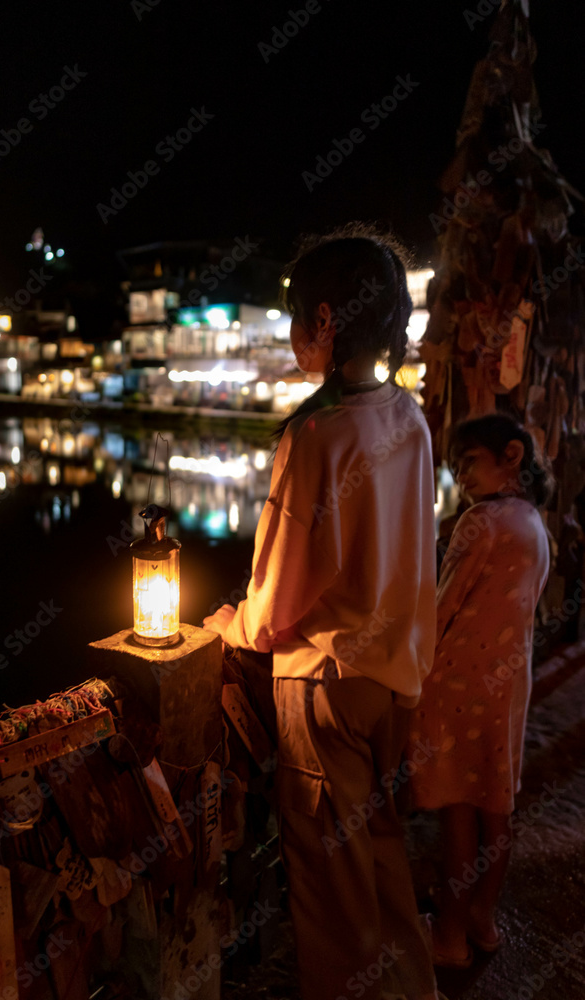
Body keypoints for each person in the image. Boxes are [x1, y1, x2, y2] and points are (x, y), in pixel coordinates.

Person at [204, 223, 443, 1000]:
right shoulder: (407, 418)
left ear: (328, 319)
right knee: (378, 864)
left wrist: (226, 628)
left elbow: (275, 603)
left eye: (297, 314)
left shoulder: (316, 435)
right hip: (390, 681)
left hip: (322, 684)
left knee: (331, 895)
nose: (292, 330)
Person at [407, 413, 551, 969]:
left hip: (457, 684)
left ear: (510, 456)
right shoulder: (532, 522)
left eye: (468, 462)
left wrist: (408, 673)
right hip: (508, 686)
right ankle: (481, 920)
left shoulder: (479, 524)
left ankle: (446, 937)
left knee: (457, 813)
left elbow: (440, 609)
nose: (460, 476)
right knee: (496, 806)